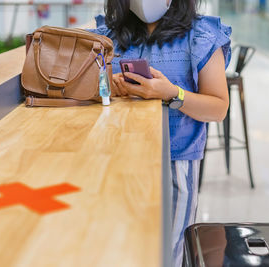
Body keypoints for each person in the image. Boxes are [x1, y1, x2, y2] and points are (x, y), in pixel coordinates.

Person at [89, 0, 231, 265]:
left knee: (168, 254)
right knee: (121, 250)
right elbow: (91, 91)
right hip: (115, 162)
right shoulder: (109, 36)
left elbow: (218, 108)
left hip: (176, 163)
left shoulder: (200, 36)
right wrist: (112, 87)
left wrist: (171, 94)